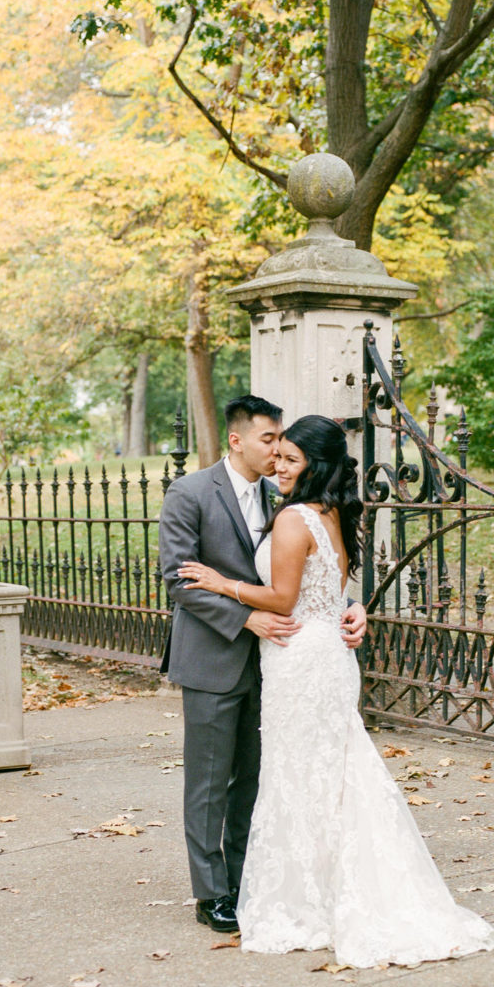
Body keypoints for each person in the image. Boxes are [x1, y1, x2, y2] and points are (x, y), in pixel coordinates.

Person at [178, 415, 494, 968]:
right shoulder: (332, 514)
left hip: (299, 657)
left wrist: (222, 581)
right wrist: (345, 607)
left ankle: (310, 899)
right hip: (319, 654)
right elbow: (331, 586)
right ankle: (305, 889)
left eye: (290, 456)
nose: (278, 461)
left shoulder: (296, 517)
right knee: (330, 774)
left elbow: (284, 597)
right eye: (275, 451)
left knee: (296, 775)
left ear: (314, 465)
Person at [158, 396, 366, 935]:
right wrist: (245, 619)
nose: (277, 453)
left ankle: (248, 879)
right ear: (237, 440)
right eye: (269, 441)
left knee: (256, 778)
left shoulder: (292, 497)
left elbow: (309, 576)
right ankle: (212, 895)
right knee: (208, 782)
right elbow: (180, 578)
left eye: (283, 443)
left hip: (283, 663)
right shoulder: (191, 492)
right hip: (216, 656)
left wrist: (350, 606)